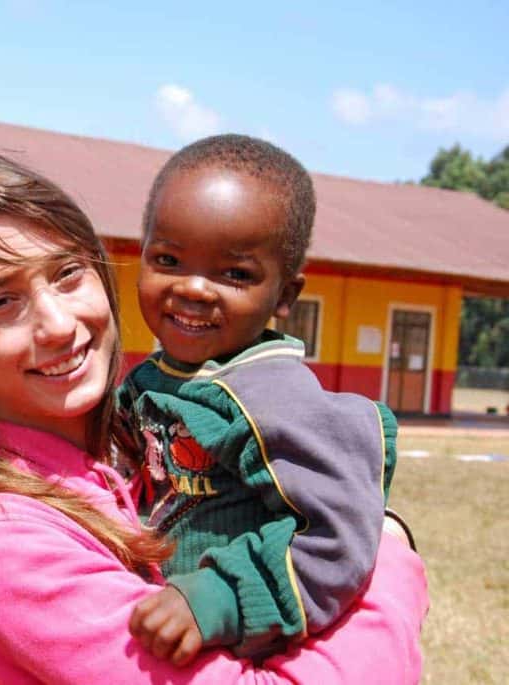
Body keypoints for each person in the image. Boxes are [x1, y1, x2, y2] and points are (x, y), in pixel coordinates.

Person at [0, 149, 427, 684]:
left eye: (67, 274)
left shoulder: (139, 440)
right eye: (2, 302)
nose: (59, 324)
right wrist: (390, 557)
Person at [118, 134, 401, 662]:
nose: (195, 288)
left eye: (235, 274)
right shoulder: (151, 379)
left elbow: (337, 541)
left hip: (245, 648)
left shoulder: (274, 399)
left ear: (285, 296)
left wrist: (220, 596)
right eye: (169, 258)